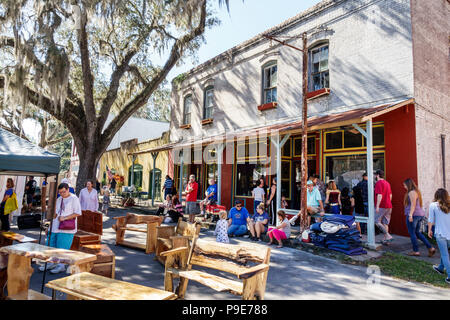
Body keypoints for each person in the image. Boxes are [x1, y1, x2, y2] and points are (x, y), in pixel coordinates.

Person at [39, 182, 82, 274]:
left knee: (62, 247)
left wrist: (65, 218)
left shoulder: (74, 199)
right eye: (60, 192)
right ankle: (50, 263)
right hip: (54, 226)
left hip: (66, 227)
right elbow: (53, 214)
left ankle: (61, 265)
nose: (62, 194)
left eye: (64, 192)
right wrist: (47, 227)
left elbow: (78, 213)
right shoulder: (59, 199)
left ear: (68, 189)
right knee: (51, 245)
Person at [403, 178, 435, 256]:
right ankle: (430, 248)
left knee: (412, 233)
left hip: (414, 215)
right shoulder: (416, 192)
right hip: (419, 215)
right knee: (417, 232)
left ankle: (416, 251)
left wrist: (410, 215)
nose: (404, 187)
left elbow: (413, 205)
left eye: (404, 185)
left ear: (408, 184)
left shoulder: (412, 192)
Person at [428, 188, 450, 284]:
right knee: (444, 252)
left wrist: (429, 230)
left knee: (445, 254)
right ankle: (440, 268)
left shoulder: (433, 205)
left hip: (440, 234)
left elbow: (430, 220)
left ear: (436, 195)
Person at [374, 170, 394, 244]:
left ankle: (388, 235)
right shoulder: (387, 183)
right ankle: (386, 240)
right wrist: (389, 202)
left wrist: (377, 206)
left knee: (376, 221)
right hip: (389, 205)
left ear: (378, 175)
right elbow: (390, 195)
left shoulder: (379, 183)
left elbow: (379, 195)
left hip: (382, 205)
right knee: (385, 223)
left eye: (376, 175)